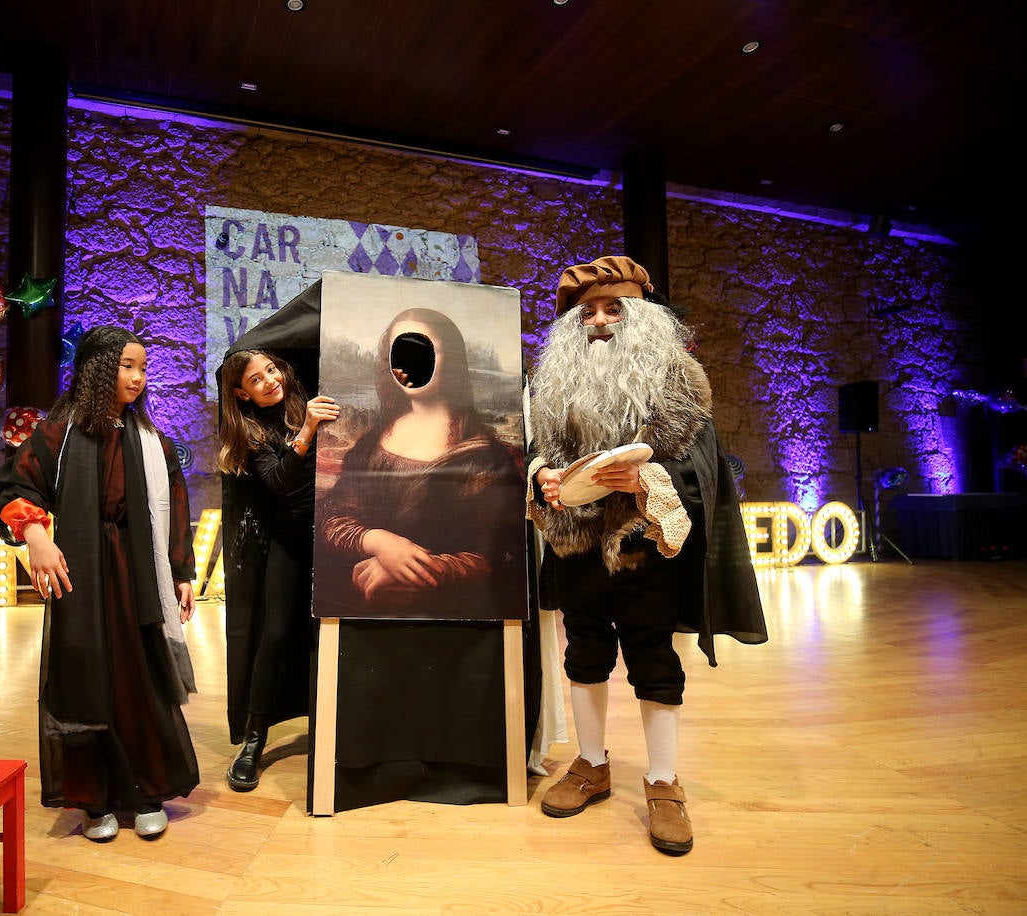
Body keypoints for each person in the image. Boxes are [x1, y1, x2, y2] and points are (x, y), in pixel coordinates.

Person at [525, 255, 767, 855]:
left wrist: (649, 482)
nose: (601, 322)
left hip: (645, 546)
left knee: (652, 658)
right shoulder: (549, 386)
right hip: (575, 541)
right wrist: (543, 478)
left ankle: (662, 782)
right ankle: (590, 763)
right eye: (588, 313)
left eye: (614, 309)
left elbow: (697, 461)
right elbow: (533, 450)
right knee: (582, 652)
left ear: (641, 316)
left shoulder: (680, 380)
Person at [313, 306, 534, 811]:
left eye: (421, 350)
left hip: (455, 634)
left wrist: (422, 573)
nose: (408, 363)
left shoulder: (486, 456)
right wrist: (376, 542)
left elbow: (497, 557)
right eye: (398, 352)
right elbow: (334, 518)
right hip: (370, 627)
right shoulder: (372, 444)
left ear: (449, 359)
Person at [0, 325, 199, 843]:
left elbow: (174, 511)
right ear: (99, 369)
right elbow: (16, 485)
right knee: (84, 679)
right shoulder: (57, 437)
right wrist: (37, 537)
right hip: (79, 574)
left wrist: (180, 571)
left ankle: (147, 791)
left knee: (138, 678)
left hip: (136, 575)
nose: (138, 377)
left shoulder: (153, 442)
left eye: (143, 368)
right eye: (128, 365)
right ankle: (94, 798)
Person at [217, 349, 339, 791]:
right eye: (255, 379)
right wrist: (307, 429)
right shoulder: (249, 432)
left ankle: (335, 726)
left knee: (328, 632)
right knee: (273, 636)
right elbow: (280, 482)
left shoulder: (300, 398)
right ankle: (253, 740)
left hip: (336, 537)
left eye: (271, 370)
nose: (269, 380)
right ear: (240, 393)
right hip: (290, 542)